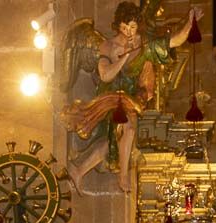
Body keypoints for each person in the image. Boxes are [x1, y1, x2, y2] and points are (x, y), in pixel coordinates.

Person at [61, 3, 202, 193]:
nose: (129, 31)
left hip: (131, 98)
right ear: (118, 25)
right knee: (128, 122)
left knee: (111, 143)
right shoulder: (108, 45)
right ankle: (123, 176)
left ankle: (79, 170)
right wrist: (123, 59)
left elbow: (174, 41)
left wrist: (189, 24)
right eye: (125, 27)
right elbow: (105, 75)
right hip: (109, 98)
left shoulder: (145, 45)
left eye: (133, 27)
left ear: (138, 26)